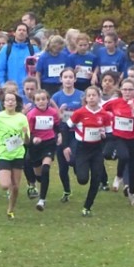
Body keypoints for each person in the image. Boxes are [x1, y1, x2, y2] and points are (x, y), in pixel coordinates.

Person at [68, 86, 112, 216]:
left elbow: (110, 134)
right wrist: (67, 144)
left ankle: (87, 206)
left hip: (97, 149)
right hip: (82, 149)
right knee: (82, 179)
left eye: (94, 95)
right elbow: (66, 127)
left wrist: (105, 136)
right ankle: (76, 165)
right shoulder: (79, 113)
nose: (92, 98)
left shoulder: (104, 114)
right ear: (85, 98)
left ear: (99, 97)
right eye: (89, 96)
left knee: (96, 178)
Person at [104, 78, 134, 206]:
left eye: (130, 90)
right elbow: (101, 111)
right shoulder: (115, 103)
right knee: (123, 156)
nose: (127, 92)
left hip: (133, 139)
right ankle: (119, 176)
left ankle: (132, 192)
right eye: (125, 89)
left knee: (133, 170)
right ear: (121, 90)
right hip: (118, 137)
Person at [53, 67, 84, 200]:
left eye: (71, 77)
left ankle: (80, 172)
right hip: (62, 133)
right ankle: (66, 191)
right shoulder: (56, 96)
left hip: (77, 132)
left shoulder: (81, 95)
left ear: (75, 79)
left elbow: (85, 114)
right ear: (61, 79)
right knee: (62, 165)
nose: (68, 80)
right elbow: (54, 119)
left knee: (73, 159)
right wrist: (59, 113)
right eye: (65, 77)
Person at [26, 90, 60, 211]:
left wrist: (59, 135)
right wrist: (33, 139)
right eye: (38, 100)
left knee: (46, 169)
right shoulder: (31, 114)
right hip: (35, 146)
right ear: (34, 101)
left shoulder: (53, 112)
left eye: (43, 99)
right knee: (39, 175)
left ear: (48, 100)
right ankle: (37, 183)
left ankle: (42, 200)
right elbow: (27, 133)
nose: (41, 102)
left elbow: (57, 126)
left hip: (49, 143)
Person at [0, 23, 37, 94]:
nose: (21, 32)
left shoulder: (34, 49)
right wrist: (2, 85)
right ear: (14, 33)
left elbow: (38, 70)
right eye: (19, 30)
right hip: (11, 89)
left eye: (24, 30)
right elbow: (0, 69)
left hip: (29, 90)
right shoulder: (6, 49)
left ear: (27, 34)